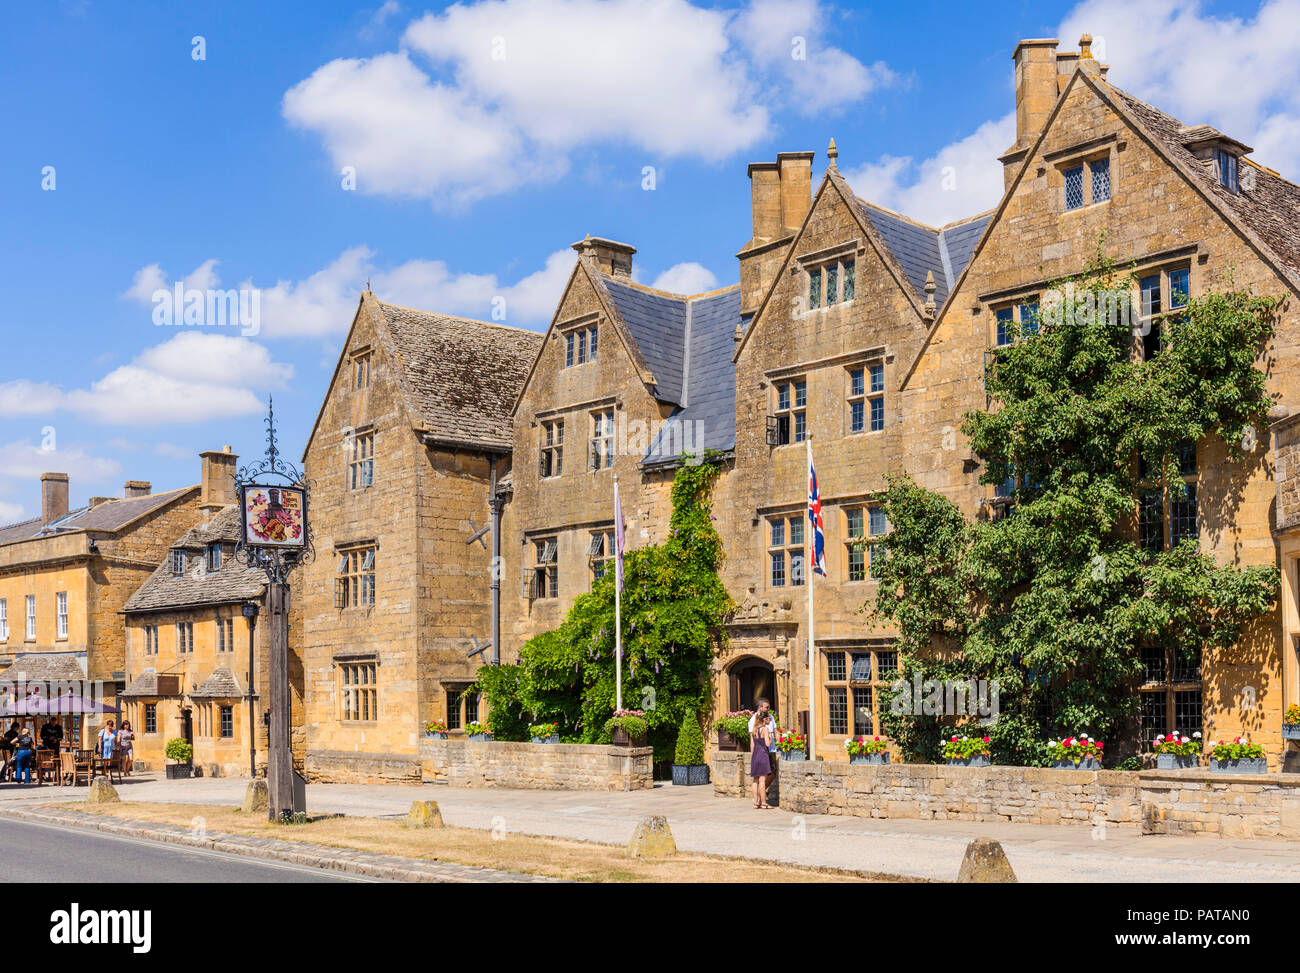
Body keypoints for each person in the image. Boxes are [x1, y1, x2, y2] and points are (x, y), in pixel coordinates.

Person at [750, 710, 774, 808]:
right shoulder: (765, 729)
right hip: (763, 755)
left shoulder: (754, 729)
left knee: (755, 780)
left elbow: (752, 745)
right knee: (762, 780)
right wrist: (770, 738)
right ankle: (764, 803)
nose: (770, 720)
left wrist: (753, 756)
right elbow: (768, 744)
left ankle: (756, 803)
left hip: (755, 755)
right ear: (764, 719)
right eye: (768, 718)